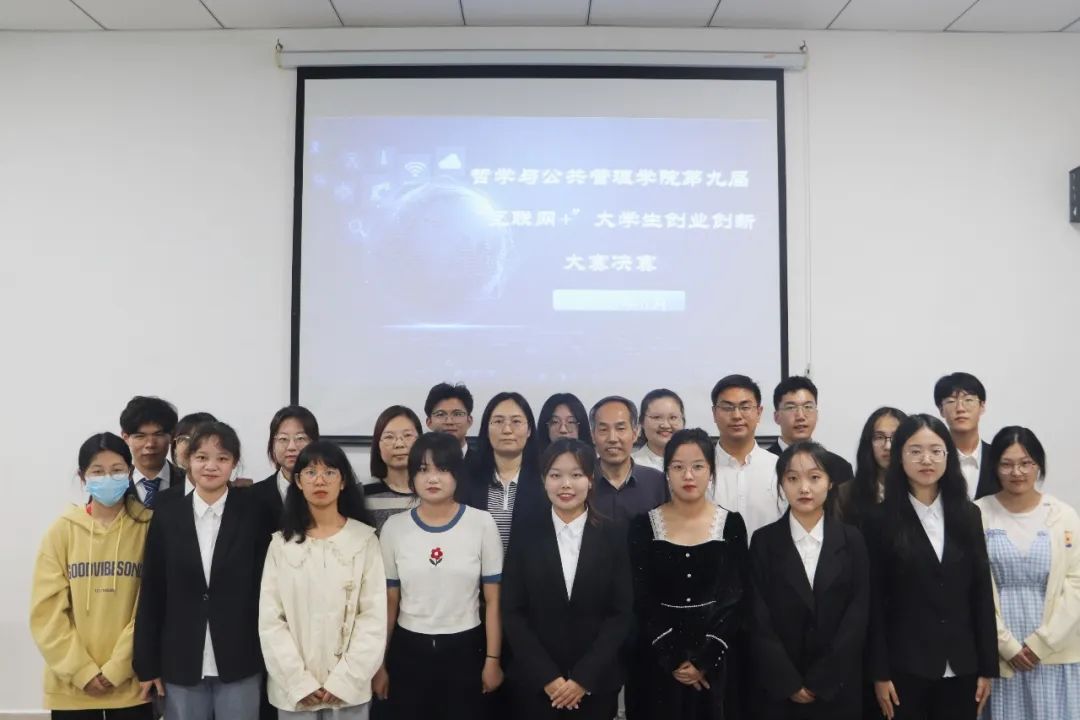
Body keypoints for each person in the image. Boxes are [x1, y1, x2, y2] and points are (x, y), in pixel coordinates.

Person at [133, 422, 270, 720]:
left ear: (234, 463)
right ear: (188, 460)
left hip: (241, 656)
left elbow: (266, 589)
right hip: (181, 660)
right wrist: (147, 665)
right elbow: (153, 590)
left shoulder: (254, 512)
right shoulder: (167, 514)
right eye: (202, 457)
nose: (211, 466)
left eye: (222, 458)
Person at [866, 414, 997, 720]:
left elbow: (981, 593)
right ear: (900, 457)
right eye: (915, 451)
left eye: (936, 451)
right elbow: (874, 603)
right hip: (904, 668)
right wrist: (879, 673)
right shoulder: (878, 520)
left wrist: (987, 667)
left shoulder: (968, 515)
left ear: (948, 457)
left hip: (963, 666)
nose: (926, 459)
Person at [374, 432, 504, 720]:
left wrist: (493, 659)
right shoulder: (394, 528)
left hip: (466, 648)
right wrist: (379, 663)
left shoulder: (482, 523)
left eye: (443, 469)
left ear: (457, 474)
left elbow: (494, 600)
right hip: (408, 649)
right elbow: (390, 601)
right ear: (412, 476)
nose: (432, 478)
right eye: (423, 469)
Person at [501, 439, 633, 719]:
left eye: (576, 475)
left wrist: (583, 678)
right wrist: (547, 677)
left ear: (591, 479)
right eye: (555, 475)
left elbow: (620, 613)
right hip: (535, 685)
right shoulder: (524, 535)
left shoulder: (614, 534)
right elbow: (513, 612)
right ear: (543, 480)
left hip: (596, 684)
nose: (565, 485)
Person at [260, 441, 387, 719]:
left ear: (343, 481)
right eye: (310, 472)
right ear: (298, 482)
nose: (320, 481)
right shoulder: (281, 544)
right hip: (294, 692)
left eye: (330, 472)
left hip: (349, 691)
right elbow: (271, 621)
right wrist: (298, 682)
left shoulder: (363, 540)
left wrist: (345, 680)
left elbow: (373, 618)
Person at [30, 432, 154, 719]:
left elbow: (151, 607)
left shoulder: (150, 528)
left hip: (131, 688)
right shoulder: (61, 531)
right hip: (71, 690)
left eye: (117, 470)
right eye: (97, 471)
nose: (108, 478)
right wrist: (81, 671)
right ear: (82, 476)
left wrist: (118, 668)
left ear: (130, 472)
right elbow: (46, 614)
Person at [628, 428, 746, 720]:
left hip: (717, 657)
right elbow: (641, 596)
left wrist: (704, 661)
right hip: (657, 656)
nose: (688, 476)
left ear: (711, 471)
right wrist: (674, 659)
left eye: (698, 466)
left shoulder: (731, 523)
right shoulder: (643, 525)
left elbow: (735, 596)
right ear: (667, 472)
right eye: (678, 467)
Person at [747, 441, 869, 720]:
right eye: (792, 478)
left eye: (814, 477)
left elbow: (858, 613)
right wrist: (787, 681)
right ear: (781, 484)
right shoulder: (764, 541)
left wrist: (823, 679)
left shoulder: (852, 539)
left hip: (838, 686)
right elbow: (758, 616)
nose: (804, 488)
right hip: (779, 689)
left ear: (829, 483)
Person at [976, 427, 1080, 720]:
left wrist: (1041, 644)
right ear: (995, 467)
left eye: (1026, 463)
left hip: (1054, 650)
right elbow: (972, 587)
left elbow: (1076, 583)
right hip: (999, 655)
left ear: (1038, 465)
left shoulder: (1063, 515)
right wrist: (1006, 645)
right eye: (1006, 464)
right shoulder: (978, 513)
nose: (1017, 472)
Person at [459, 391, 545, 550]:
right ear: (486, 429)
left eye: (516, 421)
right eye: (498, 421)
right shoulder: (467, 478)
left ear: (529, 430)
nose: (507, 430)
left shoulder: (545, 480)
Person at [709, 375, 781, 539]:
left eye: (745, 407)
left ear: (759, 412)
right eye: (727, 407)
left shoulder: (778, 468)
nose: (736, 415)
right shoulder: (700, 469)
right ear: (714, 413)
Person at [589, 396, 667, 525]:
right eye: (603, 429)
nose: (612, 438)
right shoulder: (581, 482)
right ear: (592, 435)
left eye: (620, 428)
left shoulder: (658, 482)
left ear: (635, 433)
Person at [765, 377, 854, 487]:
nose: (800, 416)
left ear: (817, 414)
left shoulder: (840, 467)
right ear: (776, 417)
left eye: (808, 407)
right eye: (791, 407)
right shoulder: (762, 465)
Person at [837, 407, 908, 529]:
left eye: (896, 437)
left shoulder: (920, 490)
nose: (888, 446)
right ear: (868, 443)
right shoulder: (845, 495)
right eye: (879, 437)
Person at [252, 406, 320, 532]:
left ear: (315, 443)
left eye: (300, 438)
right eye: (283, 439)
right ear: (272, 444)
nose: (291, 447)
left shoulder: (329, 492)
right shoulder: (252, 496)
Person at [934, 372, 997, 500]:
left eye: (968, 400)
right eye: (951, 401)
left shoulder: (998, 458)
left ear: (982, 406)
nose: (960, 408)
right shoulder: (932, 459)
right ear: (941, 410)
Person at [119, 395, 183, 509]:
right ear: (126, 438)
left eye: (158, 435)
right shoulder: (114, 486)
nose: (150, 444)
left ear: (172, 436)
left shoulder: (191, 482)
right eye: (140, 436)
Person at [365, 406, 421, 533]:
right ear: (377, 445)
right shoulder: (364, 494)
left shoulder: (433, 490)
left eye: (407, 435)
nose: (399, 444)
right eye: (389, 437)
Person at [632, 389, 685, 472]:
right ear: (642, 422)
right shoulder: (629, 466)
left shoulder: (700, 462)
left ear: (683, 420)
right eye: (656, 417)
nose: (665, 425)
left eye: (673, 417)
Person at [424, 383, 475, 462]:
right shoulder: (419, 463)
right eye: (440, 414)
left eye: (457, 414)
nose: (449, 422)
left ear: (469, 420)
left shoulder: (487, 463)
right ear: (429, 422)